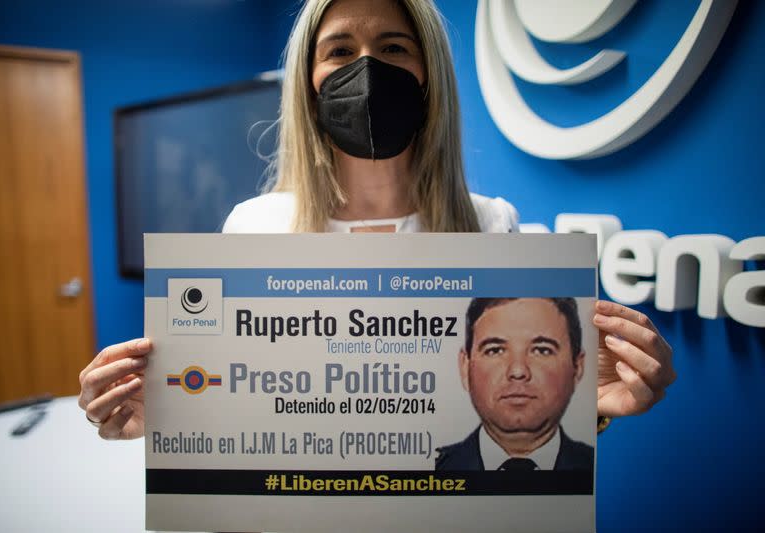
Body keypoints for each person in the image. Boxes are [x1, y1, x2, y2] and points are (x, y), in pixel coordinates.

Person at [78, 0, 676, 441]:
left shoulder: (492, 225)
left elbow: (499, 421)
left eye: (393, 48)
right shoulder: (253, 228)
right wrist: (161, 418)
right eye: (339, 50)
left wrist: (584, 405)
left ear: (428, 78)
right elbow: (236, 406)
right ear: (308, 87)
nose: (366, 70)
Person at [436, 297, 592, 472]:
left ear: (577, 367)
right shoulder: (430, 471)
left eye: (541, 350)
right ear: (465, 367)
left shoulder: (603, 471)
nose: (518, 371)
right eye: (495, 350)